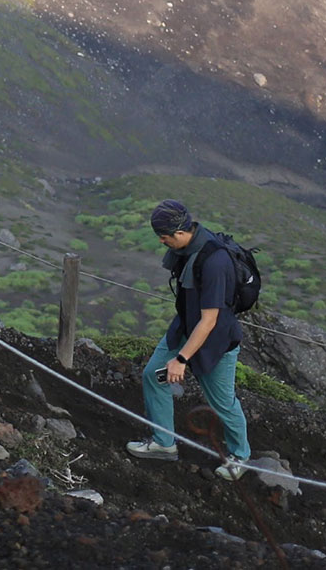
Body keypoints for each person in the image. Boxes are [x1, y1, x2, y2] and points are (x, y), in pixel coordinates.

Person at [125, 199, 251, 480]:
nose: (162, 242)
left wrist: (181, 360)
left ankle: (240, 455)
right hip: (184, 327)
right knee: (153, 375)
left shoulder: (214, 262)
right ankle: (164, 443)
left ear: (180, 233)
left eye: (164, 237)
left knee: (222, 402)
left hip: (215, 342)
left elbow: (210, 320)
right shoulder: (188, 248)